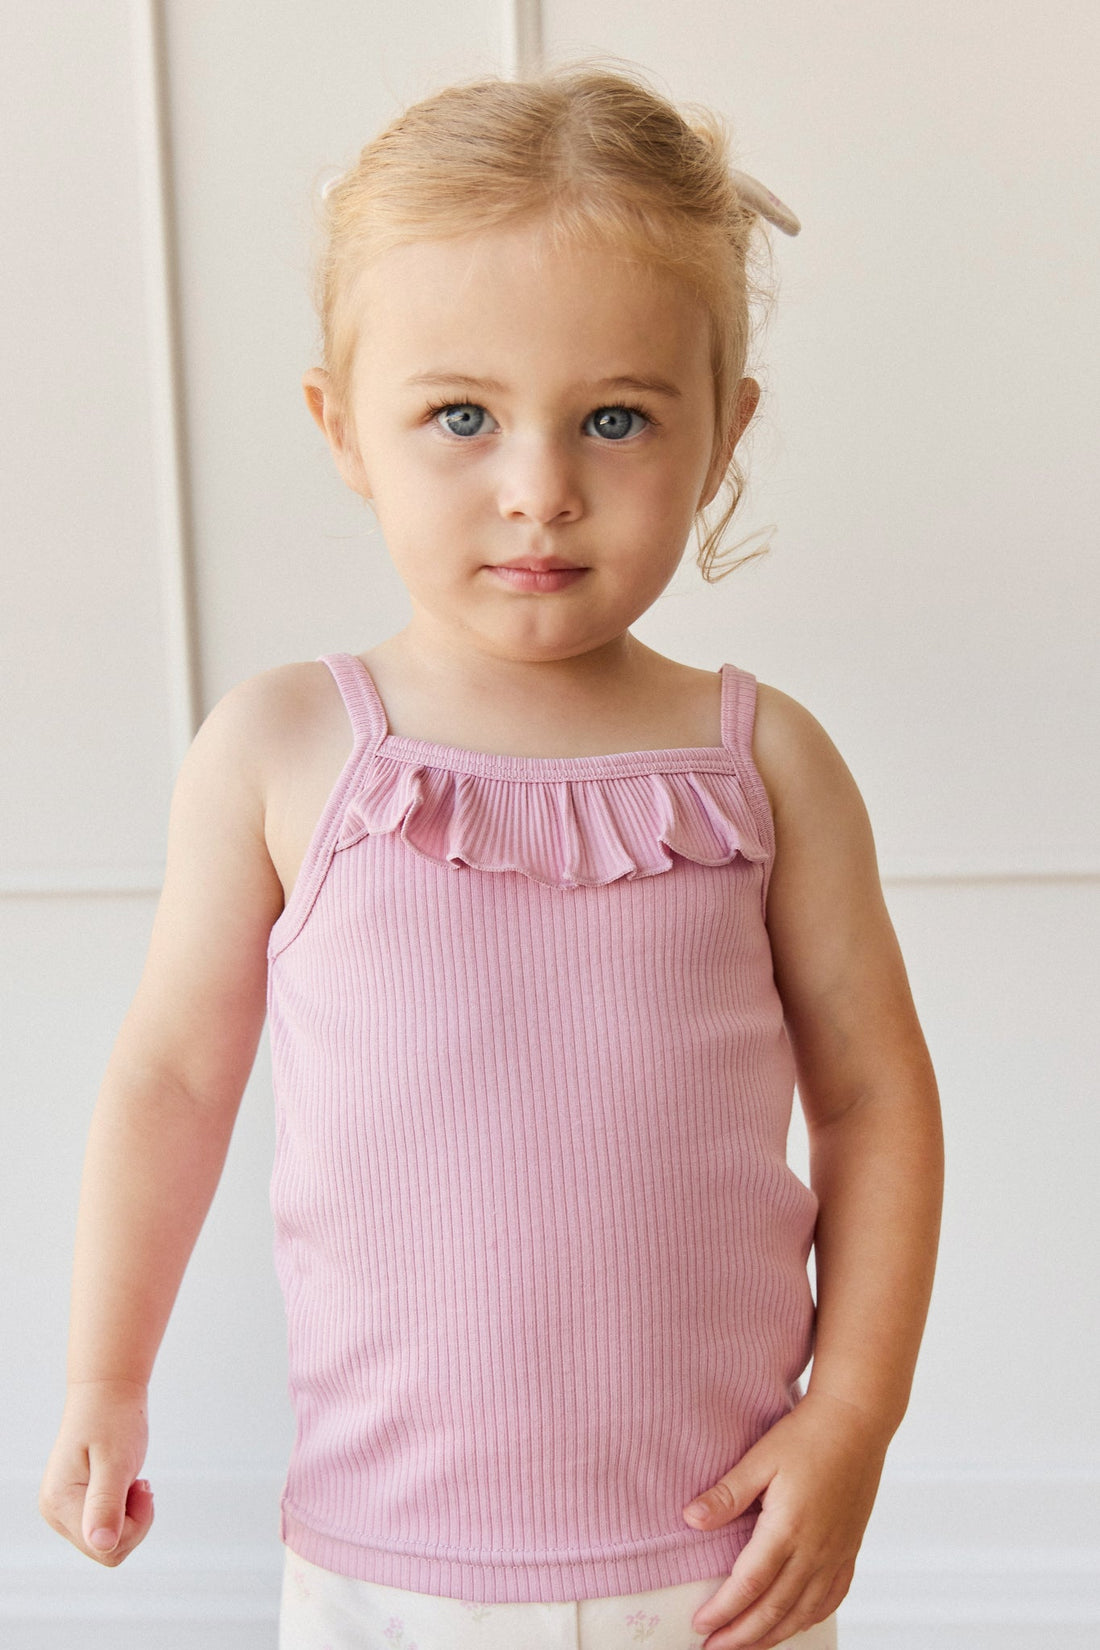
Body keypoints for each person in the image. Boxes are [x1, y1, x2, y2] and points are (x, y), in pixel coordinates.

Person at [39, 59, 944, 1650]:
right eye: (462, 416)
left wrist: (853, 1416)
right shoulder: (280, 753)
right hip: (390, 1570)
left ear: (723, 429)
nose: (540, 490)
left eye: (615, 418)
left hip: (721, 1552)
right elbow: (171, 1080)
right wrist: (105, 1379)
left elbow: (874, 1098)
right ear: (342, 427)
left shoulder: (765, 764)